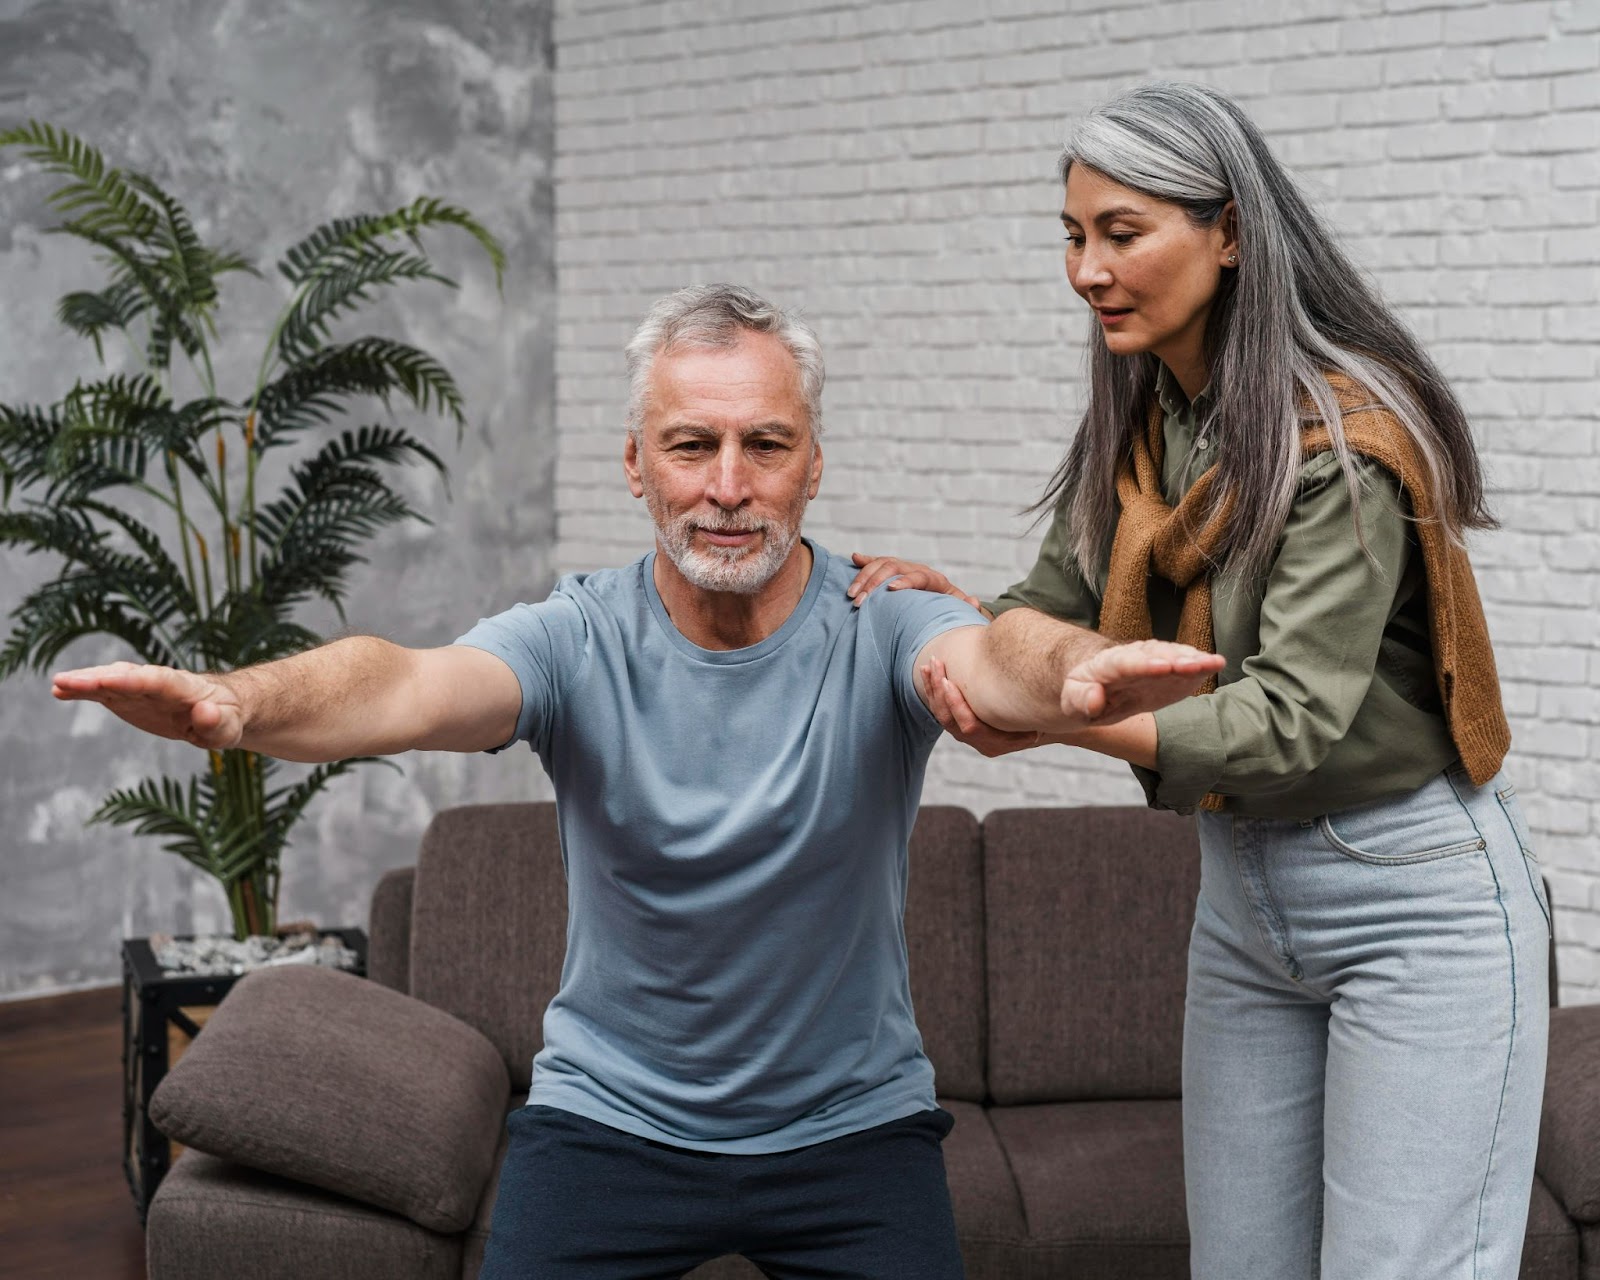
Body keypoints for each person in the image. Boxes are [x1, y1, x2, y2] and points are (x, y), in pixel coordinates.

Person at [53, 284, 1219, 1279]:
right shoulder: (575, 637)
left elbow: (992, 658)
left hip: (852, 1135)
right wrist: (244, 701)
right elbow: (404, 683)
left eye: (764, 444)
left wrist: (1078, 665)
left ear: (811, 464)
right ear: (635, 465)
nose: (726, 484)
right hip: (610, 1126)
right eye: (689, 444)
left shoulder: (883, 614)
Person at [849, 82, 1548, 1280]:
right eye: (1073, 237)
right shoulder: (1147, 427)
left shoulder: (1344, 445)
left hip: (1411, 899)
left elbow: (1284, 725)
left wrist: (1071, 702)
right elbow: (1043, 611)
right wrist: (992, 643)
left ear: (1227, 231)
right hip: (1243, 899)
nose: (1087, 270)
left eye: (1122, 233)